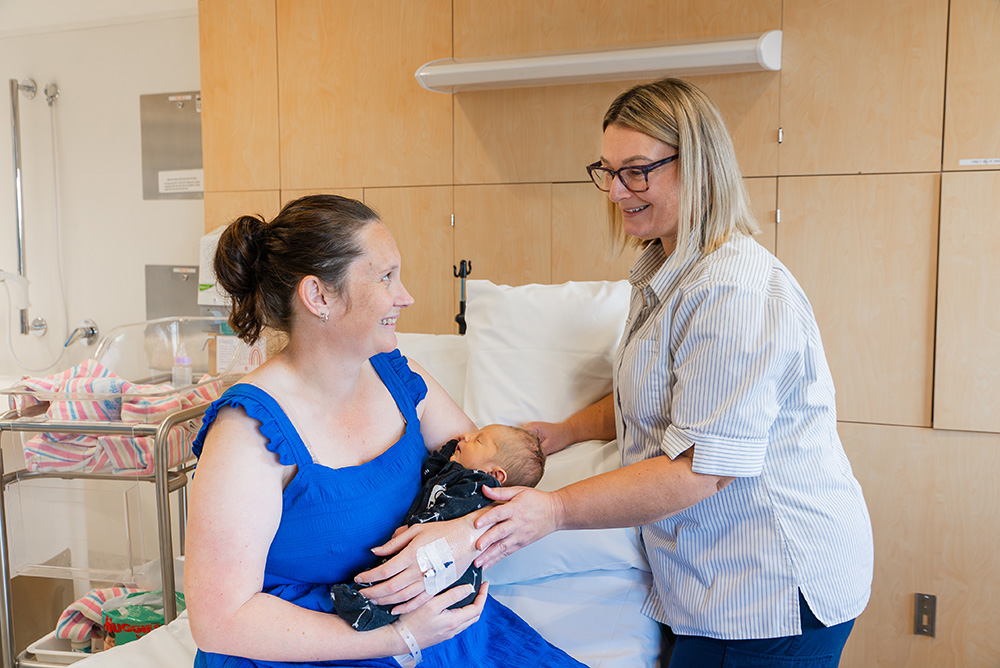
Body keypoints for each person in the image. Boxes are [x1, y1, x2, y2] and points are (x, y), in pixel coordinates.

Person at [362, 79, 875, 668]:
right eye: (606, 171)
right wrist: (567, 431)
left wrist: (549, 511)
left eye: (636, 171)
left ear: (698, 165)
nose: (615, 191)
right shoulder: (664, 264)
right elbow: (654, 396)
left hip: (770, 585)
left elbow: (698, 472)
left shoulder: (732, 291)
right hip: (706, 581)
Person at [184, 194, 584, 668]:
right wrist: (399, 637)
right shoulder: (247, 433)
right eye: (385, 277)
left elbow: (494, 481)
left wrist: (457, 540)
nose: (406, 295)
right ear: (319, 296)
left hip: (429, 624)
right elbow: (219, 621)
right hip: (307, 647)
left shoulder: (400, 378)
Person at [331, 424, 545, 631]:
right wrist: (453, 448)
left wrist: (418, 526)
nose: (466, 436)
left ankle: (369, 613)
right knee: (400, 573)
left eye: (479, 440)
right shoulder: (456, 472)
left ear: (495, 475)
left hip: (454, 576)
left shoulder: (477, 489)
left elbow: (449, 513)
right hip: (432, 555)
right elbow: (432, 469)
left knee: (406, 580)